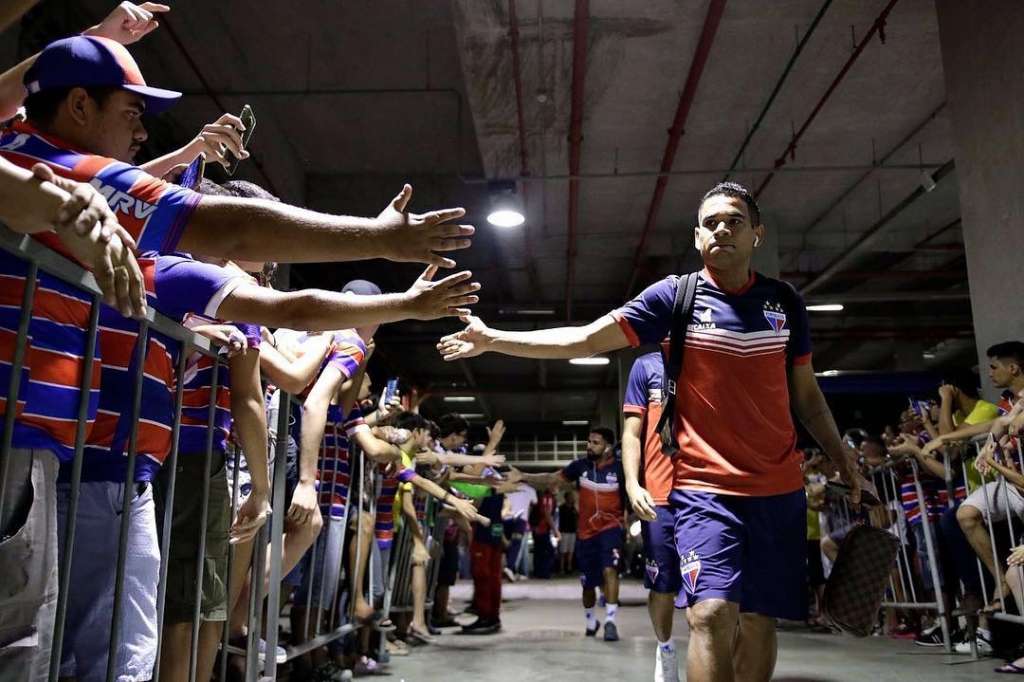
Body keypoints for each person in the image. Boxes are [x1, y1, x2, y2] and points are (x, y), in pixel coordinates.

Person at [438, 181, 863, 682]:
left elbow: (807, 396)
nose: (722, 229)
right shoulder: (675, 296)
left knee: (757, 617)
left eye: (734, 221)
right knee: (709, 613)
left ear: (756, 235)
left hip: (777, 489)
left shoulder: (784, 302)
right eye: (710, 222)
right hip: (704, 490)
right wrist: (493, 339)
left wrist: (841, 457)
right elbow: (586, 336)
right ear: (697, 236)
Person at [521, 428, 626, 641]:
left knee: (610, 570)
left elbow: (632, 493)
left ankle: (610, 622)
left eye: (595, 442)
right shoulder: (580, 466)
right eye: (589, 441)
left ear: (607, 447)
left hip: (611, 528)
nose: (589, 446)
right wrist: (523, 476)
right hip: (586, 534)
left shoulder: (620, 469)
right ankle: (591, 621)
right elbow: (552, 479)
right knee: (587, 584)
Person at [622, 351, 683, 681]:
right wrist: (633, 484)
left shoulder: (709, 353)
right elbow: (632, 432)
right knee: (663, 585)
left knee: (713, 592)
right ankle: (666, 648)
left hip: (705, 494)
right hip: (659, 498)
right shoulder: (646, 366)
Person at [558, 489, 578, 575]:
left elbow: (577, 518)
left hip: (572, 531)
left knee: (571, 550)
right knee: (563, 551)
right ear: (566, 498)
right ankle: (562, 568)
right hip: (564, 531)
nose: (571, 499)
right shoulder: (561, 508)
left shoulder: (574, 508)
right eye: (570, 497)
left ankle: (569, 567)